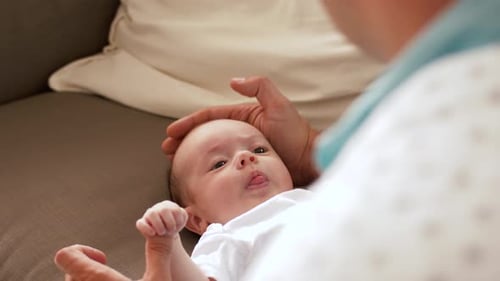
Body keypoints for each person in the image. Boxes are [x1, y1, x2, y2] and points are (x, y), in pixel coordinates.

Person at [55, 0, 500, 280]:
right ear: (197, 218)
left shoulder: (323, 195)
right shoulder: (227, 238)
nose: (247, 159)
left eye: (260, 149)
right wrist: (168, 245)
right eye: (218, 164)